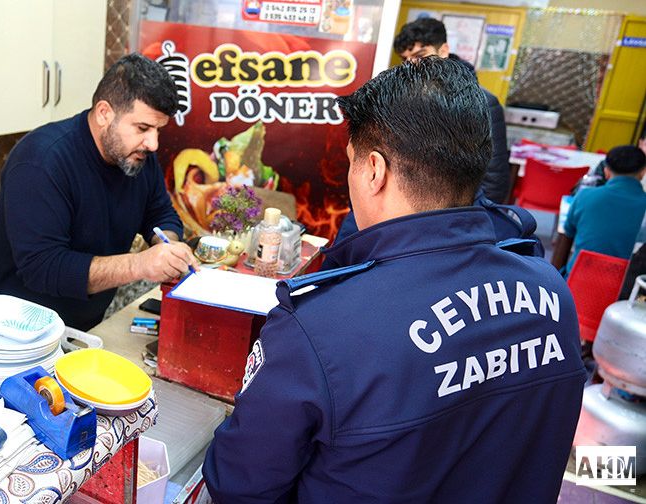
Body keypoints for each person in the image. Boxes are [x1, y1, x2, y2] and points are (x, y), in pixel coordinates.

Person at [203, 57, 585, 503]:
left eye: (350, 162)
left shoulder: (321, 328)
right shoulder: (551, 292)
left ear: (373, 170)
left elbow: (237, 484)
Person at [0, 54, 198, 331]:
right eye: (142, 128)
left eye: (158, 130)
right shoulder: (41, 161)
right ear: (105, 113)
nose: (153, 143)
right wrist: (140, 265)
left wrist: (168, 245)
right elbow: (44, 268)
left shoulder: (137, 156)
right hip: (12, 332)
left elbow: (160, 212)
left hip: (81, 327)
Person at [394, 17, 511, 204]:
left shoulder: (482, 103)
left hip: (458, 212)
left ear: (443, 51)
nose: (412, 65)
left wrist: (474, 217)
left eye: (420, 56)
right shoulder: (403, 98)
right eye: (405, 59)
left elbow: (494, 178)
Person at [561, 145, 646, 274]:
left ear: (606, 171)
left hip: (577, 279)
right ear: (643, 172)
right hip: (624, 284)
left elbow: (567, 234)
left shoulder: (585, 196)